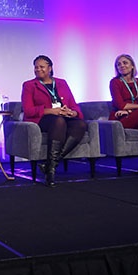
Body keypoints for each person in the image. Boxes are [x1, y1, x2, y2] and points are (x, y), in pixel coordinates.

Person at [20, 55, 87, 187]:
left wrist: (73, 112)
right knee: (58, 121)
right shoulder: (29, 85)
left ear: (50, 68)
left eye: (42, 67)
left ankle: (50, 164)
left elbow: (73, 104)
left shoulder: (62, 83)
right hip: (43, 119)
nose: (38, 69)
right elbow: (28, 110)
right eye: (36, 67)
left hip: (62, 116)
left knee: (80, 124)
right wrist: (51, 111)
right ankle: (51, 172)